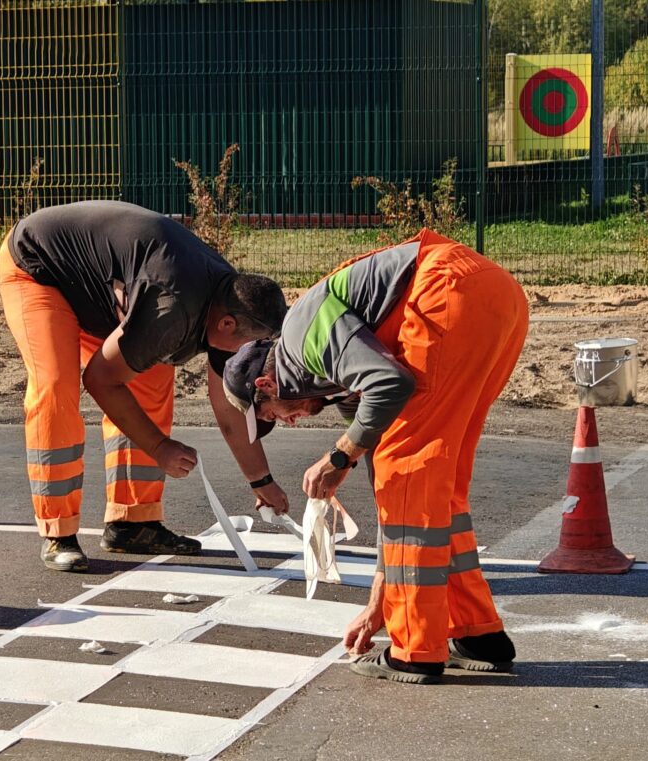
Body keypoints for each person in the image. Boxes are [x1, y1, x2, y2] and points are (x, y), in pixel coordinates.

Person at [221, 228, 529, 684]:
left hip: (446, 293)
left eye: (273, 415)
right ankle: (477, 633)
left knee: (410, 476)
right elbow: (395, 511)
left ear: (266, 386)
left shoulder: (303, 335)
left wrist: (339, 456)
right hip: (495, 295)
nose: (287, 422)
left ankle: (416, 650)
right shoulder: (340, 381)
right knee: (431, 485)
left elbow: (392, 385)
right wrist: (376, 605)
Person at [0, 200, 289, 573]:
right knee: (56, 385)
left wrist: (260, 481)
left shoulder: (233, 301)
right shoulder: (171, 307)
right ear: (227, 325)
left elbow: (228, 404)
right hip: (41, 268)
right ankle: (58, 532)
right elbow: (100, 380)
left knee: (151, 378)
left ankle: (132, 523)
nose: (241, 355)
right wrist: (159, 447)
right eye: (241, 347)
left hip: (103, 292)